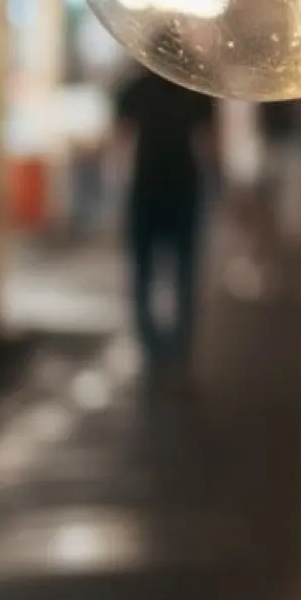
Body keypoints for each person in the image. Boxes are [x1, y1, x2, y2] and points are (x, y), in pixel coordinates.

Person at [114, 65, 215, 380]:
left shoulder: (135, 87)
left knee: (145, 271)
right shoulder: (194, 87)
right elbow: (209, 142)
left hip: (148, 187)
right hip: (182, 187)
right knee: (183, 272)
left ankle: (153, 346)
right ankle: (178, 347)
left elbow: (121, 138)